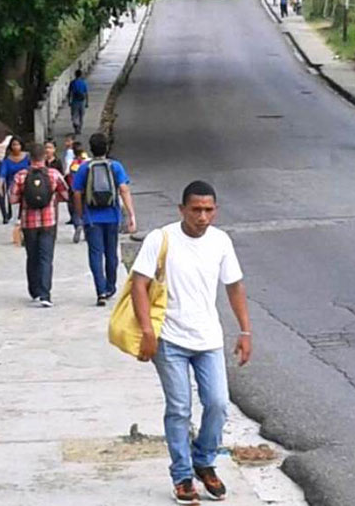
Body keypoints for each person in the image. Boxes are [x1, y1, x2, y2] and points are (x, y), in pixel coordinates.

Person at [130, 181, 252, 505]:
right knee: (180, 407)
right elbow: (138, 285)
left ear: (216, 210)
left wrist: (245, 331)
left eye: (208, 210)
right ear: (182, 209)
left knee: (217, 403)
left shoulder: (221, 242)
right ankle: (183, 475)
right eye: (196, 209)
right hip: (169, 338)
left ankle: (204, 460)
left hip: (208, 338)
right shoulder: (162, 238)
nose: (202, 216)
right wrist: (147, 332)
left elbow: (234, 286)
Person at [72, 133, 137, 306]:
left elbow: (77, 194)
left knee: (95, 254)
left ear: (91, 149)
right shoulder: (115, 166)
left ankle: (100, 291)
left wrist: (80, 214)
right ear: (106, 148)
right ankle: (110, 286)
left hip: (92, 218)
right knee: (111, 253)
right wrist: (131, 214)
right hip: (112, 216)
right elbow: (124, 189)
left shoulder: (84, 168)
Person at [9, 143, 70, 307]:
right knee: (46, 257)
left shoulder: (21, 175)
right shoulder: (53, 174)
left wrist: (25, 197)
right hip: (48, 221)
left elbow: (12, 199)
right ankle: (45, 294)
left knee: (32, 256)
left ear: (30, 158)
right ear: (44, 157)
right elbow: (66, 194)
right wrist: (53, 197)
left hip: (28, 223)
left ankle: (34, 290)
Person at [0, 137, 31, 224]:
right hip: (12, 185)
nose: (16, 147)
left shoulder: (27, 157)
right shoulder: (7, 160)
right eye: (13, 145)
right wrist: (0, 187)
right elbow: (2, 174)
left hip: (26, 183)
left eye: (17, 144)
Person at [66, 142, 88, 242]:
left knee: (75, 211)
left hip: (75, 190)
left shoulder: (74, 164)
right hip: (87, 190)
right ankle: (87, 232)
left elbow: (71, 177)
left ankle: (78, 225)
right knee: (86, 210)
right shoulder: (87, 160)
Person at [68, 69, 89, 135]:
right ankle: (79, 129)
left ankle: (75, 124)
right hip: (82, 101)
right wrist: (87, 102)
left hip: (74, 101)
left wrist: (69, 101)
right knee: (81, 116)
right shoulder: (83, 83)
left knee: (74, 115)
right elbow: (86, 93)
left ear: (75, 75)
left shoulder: (72, 83)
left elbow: (69, 93)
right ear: (81, 75)